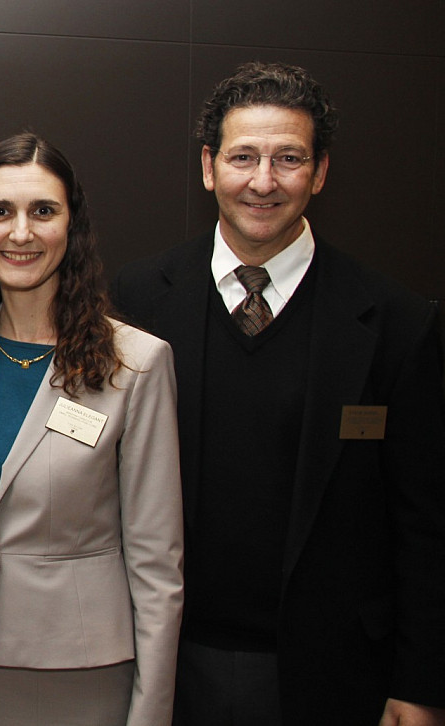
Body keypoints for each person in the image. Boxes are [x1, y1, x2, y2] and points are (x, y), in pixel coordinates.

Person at [111, 61, 445, 726]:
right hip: (166, 667)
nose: (263, 182)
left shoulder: (396, 323)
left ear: (319, 173)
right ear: (209, 167)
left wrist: (422, 685)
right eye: (243, 157)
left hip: (336, 673)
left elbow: (427, 524)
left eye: (288, 159)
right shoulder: (135, 301)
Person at [0, 132, 184, 726]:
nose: (20, 233)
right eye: (0, 212)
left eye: (43, 211)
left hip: (80, 672)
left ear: (72, 226)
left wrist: (153, 710)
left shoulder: (136, 364)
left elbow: (157, 562)